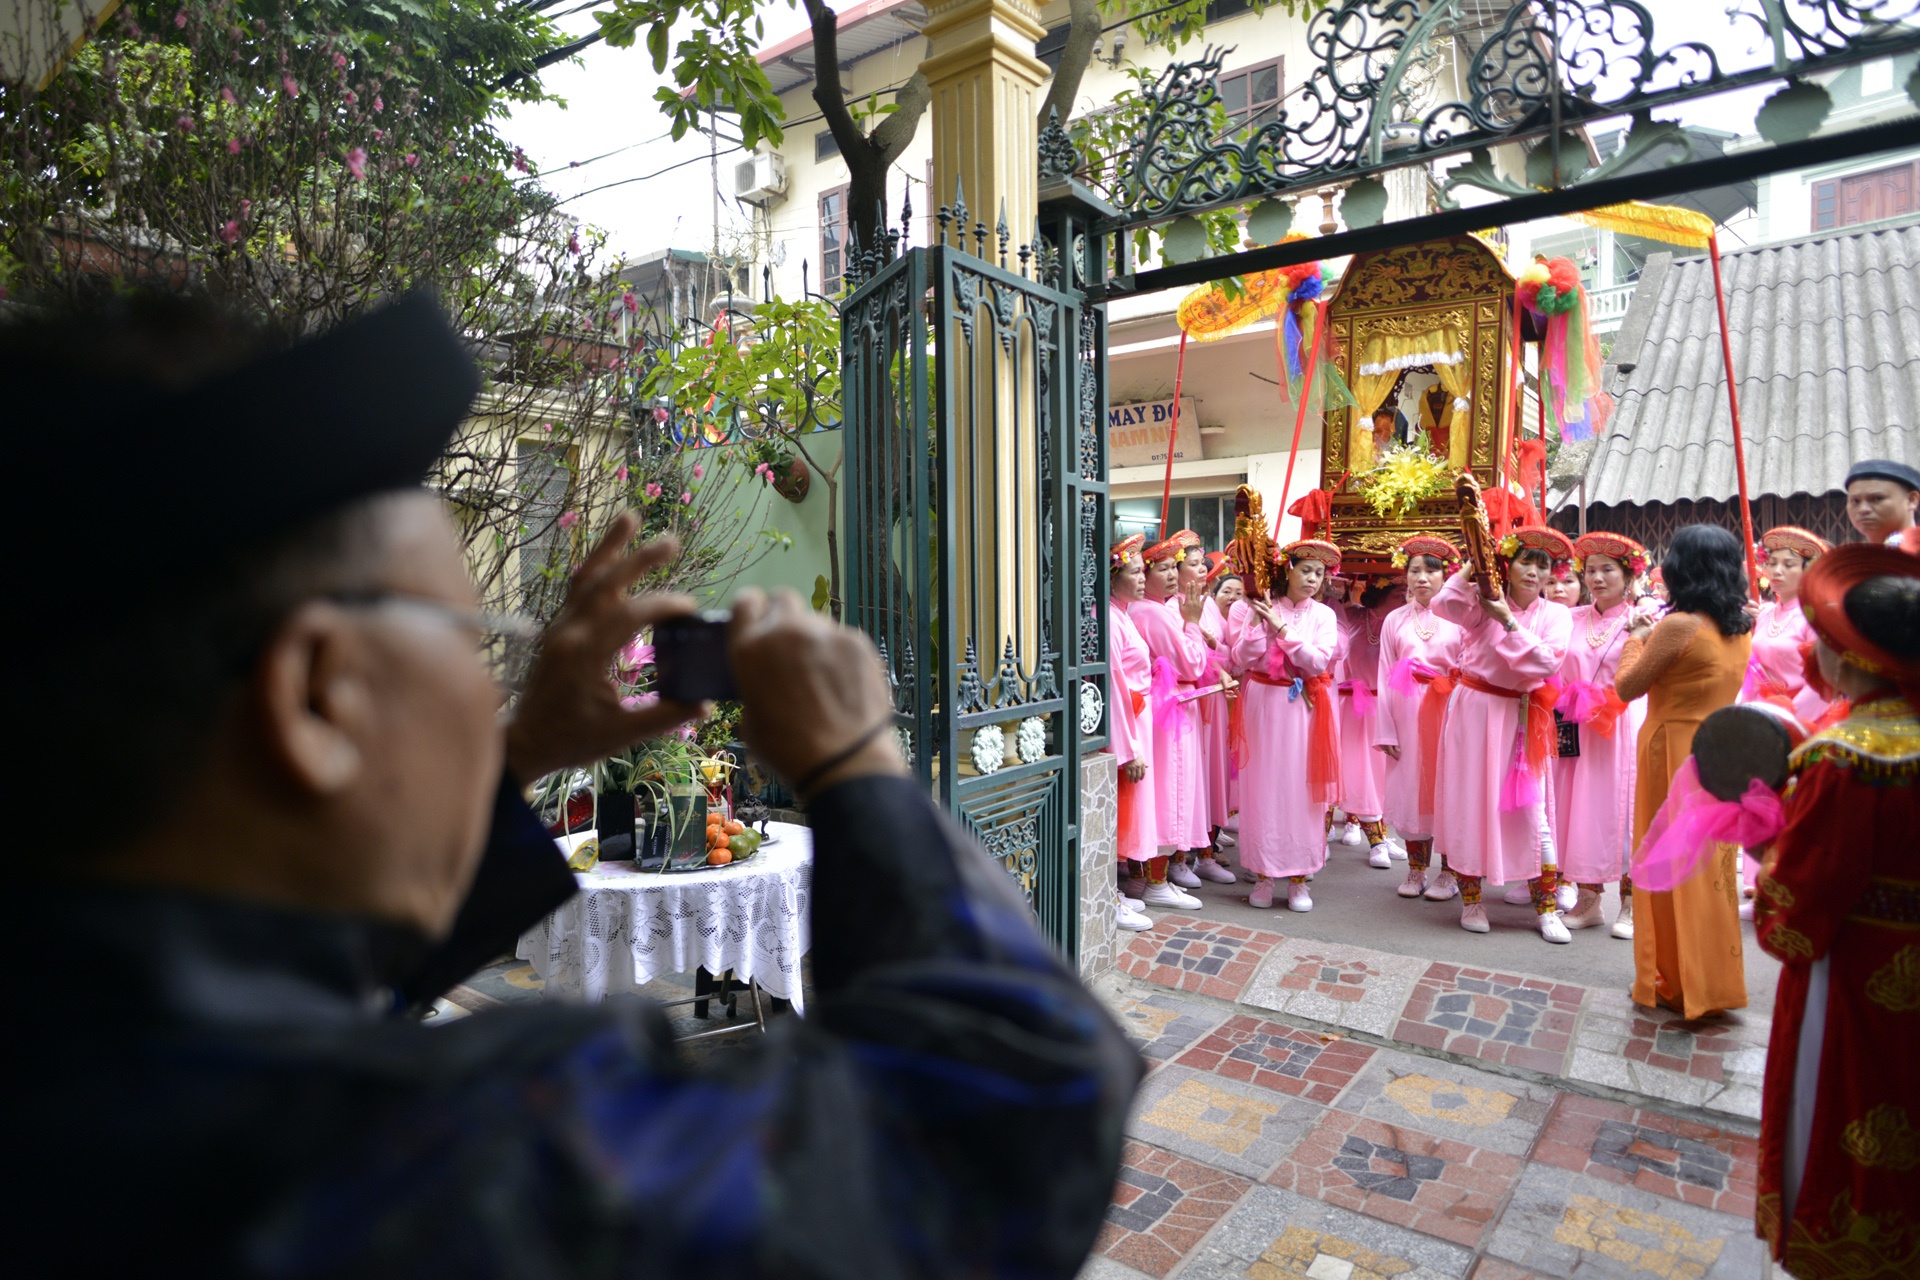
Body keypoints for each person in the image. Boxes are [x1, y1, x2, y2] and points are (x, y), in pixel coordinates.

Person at [12, 294, 1141, 1277]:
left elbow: (306, 960)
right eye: (469, 637)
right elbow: (1019, 1101)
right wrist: (857, 760)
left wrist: (515, 753)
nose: (487, 685)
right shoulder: (461, 1149)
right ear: (318, 694)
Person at [1751, 545, 1919, 1277]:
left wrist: (1766, 850)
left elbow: (1792, 914)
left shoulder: (1846, 756)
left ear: (1853, 658)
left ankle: (1845, 1247)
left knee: (1845, 1107)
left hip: (1853, 972)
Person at [1615, 523, 1754, 1018]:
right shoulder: (1742, 625)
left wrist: (1635, 637)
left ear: (1679, 567)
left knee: (1670, 865)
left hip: (1673, 751)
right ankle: (1714, 981)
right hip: (1719, 753)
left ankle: (1675, 980)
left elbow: (1626, 688)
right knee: (1711, 872)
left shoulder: (1678, 627)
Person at [1429, 526, 1576, 941]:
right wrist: (1476, 562)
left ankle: (1546, 908)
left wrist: (1507, 621)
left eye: (1543, 565)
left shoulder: (1556, 614)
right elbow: (1443, 604)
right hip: (1474, 710)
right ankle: (1472, 900)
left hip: (1522, 714)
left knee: (1533, 814)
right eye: (1525, 560)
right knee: (1469, 804)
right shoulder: (1481, 600)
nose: (1534, 571)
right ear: (1507, 565)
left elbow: (1545, 664)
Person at [1228, 540, 1343, 911]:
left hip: (1302, 710)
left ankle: (1298, 880)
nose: (1312, 579)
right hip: (1262, 702)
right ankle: (1263, 875)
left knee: (1299, 789)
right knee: (1261, 786)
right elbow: (1240, 658)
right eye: (1305, 570)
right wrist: (1262, 625)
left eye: (1319, 573)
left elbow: (1317, 663)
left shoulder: (1323, 616)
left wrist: (1282, 630)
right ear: (1287, 570)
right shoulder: (1261, 605)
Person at [1553, 532, 1650, 937]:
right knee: (1580, 809)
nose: (1597, 578)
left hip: (1620, 723)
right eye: (1590, 570)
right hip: (1575, 726)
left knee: (1624, 809)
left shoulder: (1643, 620)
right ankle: (1589, 900)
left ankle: (1630, 905)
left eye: (1607, 570)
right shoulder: (1571, 618)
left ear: (1628, 576)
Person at [1375, 536, 1467, 900]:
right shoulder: (1394, 620)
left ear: (1447, 575)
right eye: (1415, 570)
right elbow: (1383, 674)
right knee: (1412, 788)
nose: (1423, 578)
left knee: (1448, 787)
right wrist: (1386, 730)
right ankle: (1416, 870)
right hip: (1406, 714)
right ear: (1406, 576)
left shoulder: (1461, 617)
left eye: (1431, 570)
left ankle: (1449, 872)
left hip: (1450, 712)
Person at [1129, 535, 1210, 908]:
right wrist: (1192, 623)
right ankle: (1157, 881)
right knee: (1167, 792)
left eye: (1170, 567)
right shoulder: (1152, 612)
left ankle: (1151, 877)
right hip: (1167, 711)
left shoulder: (1151, 610)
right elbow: (1191, 663)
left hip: (1166, 707)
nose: (1172, 576)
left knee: (1163, 791)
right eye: (1162, 569)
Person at [1178, 538, 1239, 885]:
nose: (1202, 568)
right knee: (1194, 776)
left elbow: (1225, 653)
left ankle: (1206, 849)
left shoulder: (1206, 607)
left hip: (1213, 698)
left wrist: (1221, 659)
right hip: (1192, 699)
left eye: (1203, 563)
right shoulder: (1177, 607)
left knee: (1213, 773)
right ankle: (1186, 854)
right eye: (1194, 563)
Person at [1108, 535, 1158, 931]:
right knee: (1118, 815)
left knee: (1129, 813)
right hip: (1127, 721)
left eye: (1143, 570)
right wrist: (1128, 750)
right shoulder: (1108, 618)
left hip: (1138, 715)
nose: (1143, 577)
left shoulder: (1122, 613)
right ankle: (1107, 896)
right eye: (1135, 571)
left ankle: (1113, 893)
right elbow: (1113, 685)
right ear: (1113, 576)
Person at [1336, 574, 1403, 869]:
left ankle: (1383, 835)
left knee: (1382, 776)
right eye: (1399, 592)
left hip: (1387, 706)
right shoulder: (1351, 615)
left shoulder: (1403, 623)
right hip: (1351, 705)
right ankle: (1372, 839)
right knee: (1353, 771)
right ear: (1381, 594)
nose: (1406, 597)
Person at [1743, 526, 1833, 727]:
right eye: (1772, 563)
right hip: (1760, 714)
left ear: (1807, 570)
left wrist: (1787, 722)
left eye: (1789, 565)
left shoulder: (1815, 617)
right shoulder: (1765, 613)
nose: (1777, 571)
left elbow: (1821, 683)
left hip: (1802, 718)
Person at [1844, 457, 1920, 550]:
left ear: (1911, 500)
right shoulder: (1852, 561)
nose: (1863, 509)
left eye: (1877, 499)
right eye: (1855, 501)